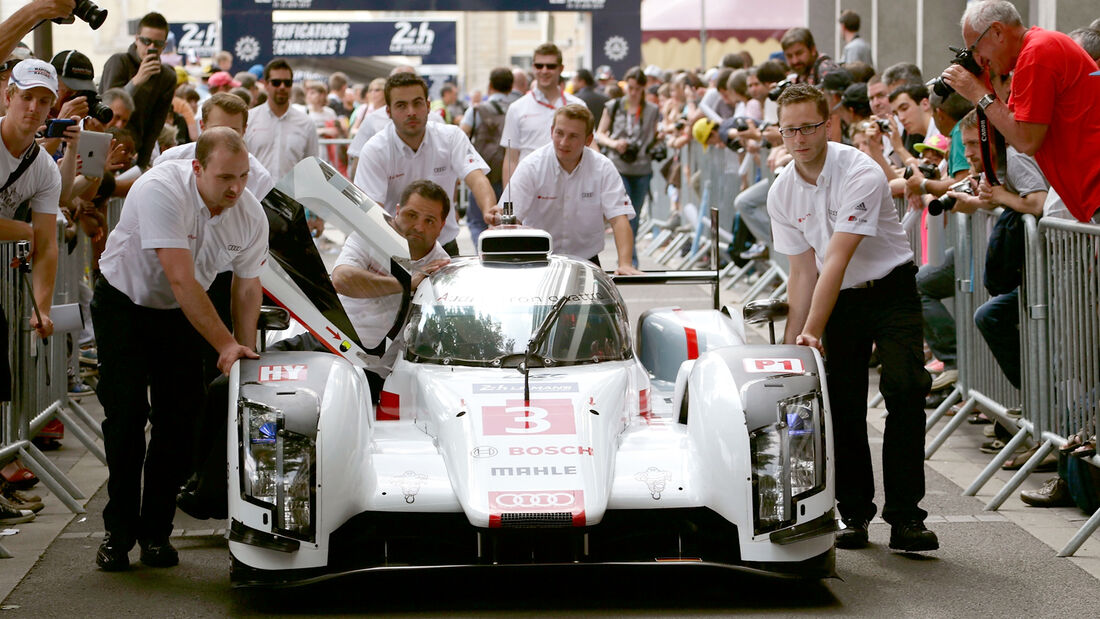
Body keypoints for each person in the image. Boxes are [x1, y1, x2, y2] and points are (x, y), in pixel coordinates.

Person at [766, 83, 937, 552]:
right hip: (835, 298)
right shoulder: (781, 191)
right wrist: (794, 344)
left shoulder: (861, 170)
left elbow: (837, 259)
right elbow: (802, 273)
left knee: (905, 388)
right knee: (842, 405)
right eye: (789, 129)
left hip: (891, 288)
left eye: (808, 127)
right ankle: (853, 514)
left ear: (828, 124)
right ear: (780, 132)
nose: (799, 138)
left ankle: (907, 517)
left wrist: (812, 330)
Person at [92, 128, 268, 571]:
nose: (235, 188)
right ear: (197, 169)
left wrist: (242, 349)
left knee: (178, 424)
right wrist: (224, 344)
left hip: (183, 315)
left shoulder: (249, 213)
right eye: (225, 177)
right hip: (124, 304)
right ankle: (118, 533)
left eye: (243, 177)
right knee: (126, 419)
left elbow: (247, 288)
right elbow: (180, 278)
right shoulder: (160, 189)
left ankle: (155, 533)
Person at [941, 0, 1100, 223]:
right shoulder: (1035, 50)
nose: (978, 60)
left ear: (997, 32)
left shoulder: (1037, 53)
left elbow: (1026, 141)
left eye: (975, 48)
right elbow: (1014, 134)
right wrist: (986, 91)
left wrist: (979, 95)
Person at [354, 72, 499, 255]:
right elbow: (373, 211)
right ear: (388, 112)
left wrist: (489, 212)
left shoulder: (451, 137)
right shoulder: (375, 149)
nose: (411, 112)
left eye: (417, 103)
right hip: (395, 248)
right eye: (401, 105)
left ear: (428, 106)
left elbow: (477, 178)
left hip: (445, 246)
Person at [502, 104, 642, 275]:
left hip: (586, 261)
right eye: (559, 133)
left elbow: (619, 219)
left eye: (573, 136)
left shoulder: (603, 167)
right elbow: (510, 220)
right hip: (536, 260)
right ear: (551, 130)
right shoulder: (531, 166)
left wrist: (625, 263)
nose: (564, 142)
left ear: (588, 140)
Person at [333, 179, 451, 364]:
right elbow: (341, 279)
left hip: (375, 366)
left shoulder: (442, 268)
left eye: (429, 220)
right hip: (329, 340)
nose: (419, 227)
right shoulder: (368, 234)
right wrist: (405, 284)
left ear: (442, 226)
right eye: (412, 215)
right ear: (397, 211)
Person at [0, 59, 63, 395]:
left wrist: (42, 308)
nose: (33, 107)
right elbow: (34, 234)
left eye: (43, 100)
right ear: (9, 96)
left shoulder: (44, 168)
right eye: (26, 97)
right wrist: (22, 232)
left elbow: (48, 244)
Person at [594, 66, 659, 267]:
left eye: (637, 89)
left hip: (641, 167)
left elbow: (652, 137)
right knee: (622, 212)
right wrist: (615, 143)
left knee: (635, 214)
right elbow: (600, 133)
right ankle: (628, 260)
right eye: (630, 88)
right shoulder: (613, 106)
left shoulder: (651, 110)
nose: (633, 93)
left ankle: (629, 258)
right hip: (619, 166)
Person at [99, 12, 178, 169]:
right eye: (146, 41)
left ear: (164, 46)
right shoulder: (119, 62)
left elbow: (155, 126)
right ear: (136, 39)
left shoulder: (167, 76)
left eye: (158, 44)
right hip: (105, 146)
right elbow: (107, 110)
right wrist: (137, 81)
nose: (151, 48)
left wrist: (142, 166)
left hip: (133, 151)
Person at [500, 43, 584, 186]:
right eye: (539, 66)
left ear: (561, 69)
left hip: (570, 187)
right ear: (533, 67)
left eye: (550, 66)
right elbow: (511, 159)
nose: (544, 71)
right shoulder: (517, 108)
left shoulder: (578, 106)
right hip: (530, 188)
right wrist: (509, 204)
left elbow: (589, 149)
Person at [460, 67, 513, 247]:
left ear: (490, 86)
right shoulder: (516, 110)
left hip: (482, 172)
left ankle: (481, 252)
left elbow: (461, 137)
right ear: (510, 87)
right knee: (504, 220)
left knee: (477, 220)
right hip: (508, 172)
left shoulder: (475, 111)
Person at [244, 58, 318, 182]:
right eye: (276, 82)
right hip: (256, 197)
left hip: (291, 198)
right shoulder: (249, 119)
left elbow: (312, 167)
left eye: (287, 83)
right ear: (266, 84)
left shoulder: (306, 123)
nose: (282, 87)